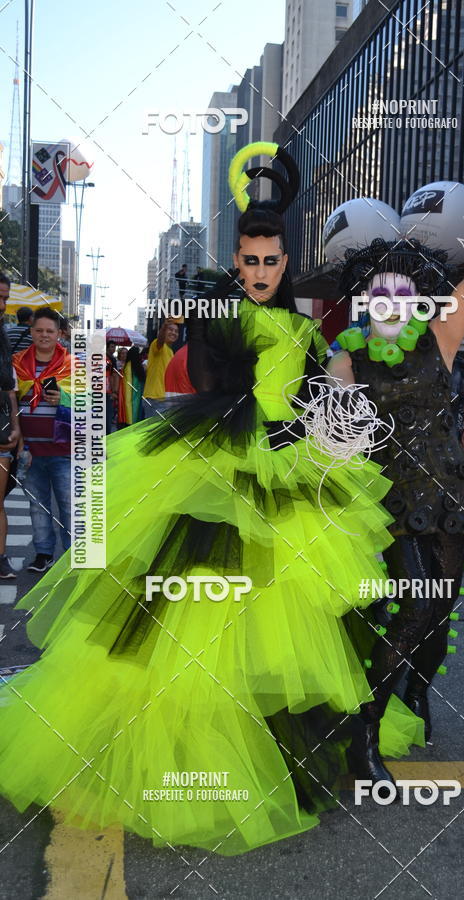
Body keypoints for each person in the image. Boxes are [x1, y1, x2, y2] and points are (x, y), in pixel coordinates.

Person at [0, 143, 422, 855]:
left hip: (291, 460)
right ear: (240, 259)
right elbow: (212, 377)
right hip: (226, 459)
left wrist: (338, 384)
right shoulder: (225, 316)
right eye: (250, 260)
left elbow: (318, 385)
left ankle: (277, 744)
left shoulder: (301, 326)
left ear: (286, 263)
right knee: (190, 612)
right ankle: (176, 755)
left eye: (271, 260)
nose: (260, 272)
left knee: (286, 617)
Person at [329, 228, 464, 777]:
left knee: (439, 617)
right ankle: (366, 731)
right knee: (414, 611)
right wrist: (333, 416)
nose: (390, 303)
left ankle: (419, 692)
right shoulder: (348, 354)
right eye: (379, 293)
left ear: (418, 298)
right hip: (389, 498)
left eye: (402, 293)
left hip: (447, 492)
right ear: (364, 297)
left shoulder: (439, 334)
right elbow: (333, 422)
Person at [12, 308, 72, 573]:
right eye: (39, 331)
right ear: (31, 331)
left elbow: (95, 403)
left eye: (50, 331)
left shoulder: (74, 365)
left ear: (59, 334)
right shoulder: (16, 364)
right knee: (37, 507)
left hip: (65, 450)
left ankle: (73, 557)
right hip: (30, 450)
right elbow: (9, 404)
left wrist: (65, 399)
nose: (44, 335)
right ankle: (43, 554)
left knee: (70, 508)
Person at [0, 274, 22, 579]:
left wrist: (15, 426)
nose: (2, 304)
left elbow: (10, 388)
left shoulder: (3, 337)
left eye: (5, 298)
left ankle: (1, 556)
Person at [141, 320, 179, 417]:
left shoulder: (171, 352)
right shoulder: (156, 344)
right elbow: (160, 340)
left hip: (165, 400)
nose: (174, 333)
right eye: (170, 329)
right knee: (153, 431)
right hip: (155, 399)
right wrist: (164, 326)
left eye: (176, 331)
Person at [117, 346, 146, 427]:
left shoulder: (128, 366)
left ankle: (130, 422)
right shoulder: (137, 366)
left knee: (132, 414)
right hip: (138, 394)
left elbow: (127, 386)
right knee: (137, 413)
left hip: (131, 395)